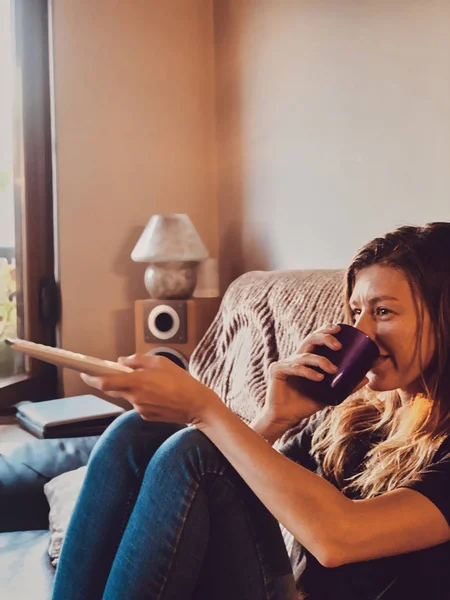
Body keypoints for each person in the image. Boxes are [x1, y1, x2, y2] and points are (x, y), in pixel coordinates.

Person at [52, 222, 450, 600]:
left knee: (193, 452)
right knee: (136, 433)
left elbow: (339, 538)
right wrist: (274, 420)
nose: (360, 330)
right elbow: (239, 483)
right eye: (356, 310)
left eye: (382, 312)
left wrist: (204, 409)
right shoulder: (360, 414)